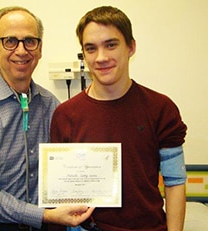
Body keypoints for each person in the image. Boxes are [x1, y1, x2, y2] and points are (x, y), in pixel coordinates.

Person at [0, 6, 94, 231]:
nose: (21, 50)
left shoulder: (50, 105)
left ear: (39, 49)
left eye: (30, 41)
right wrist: (44, 216)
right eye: (10, 41)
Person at [50, 5, 187, 231]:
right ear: (84, 54)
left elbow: (175, 182)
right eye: (91, 48)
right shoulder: (65, 115)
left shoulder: (161, 109)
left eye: (111, 45)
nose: (101, 57)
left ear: (131, 47)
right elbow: (63, 194)